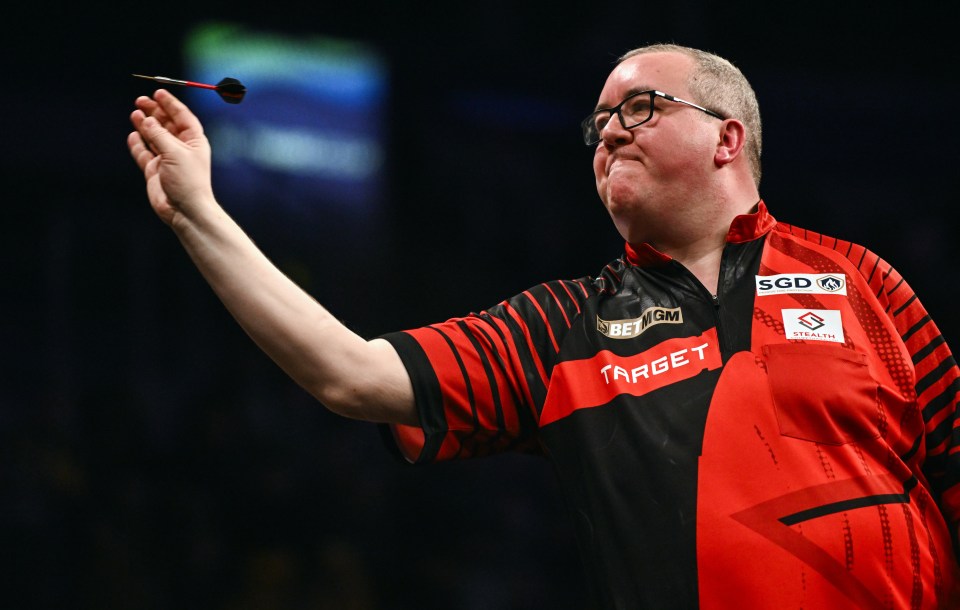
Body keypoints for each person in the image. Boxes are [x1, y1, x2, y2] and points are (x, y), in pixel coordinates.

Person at [128, 43, 960, 609]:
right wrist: (199, 213)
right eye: (597, 124)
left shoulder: (862, 279)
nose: (608, 132)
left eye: (638, 106)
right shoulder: (567, 327)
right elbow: (352, 374)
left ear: (726, 137)